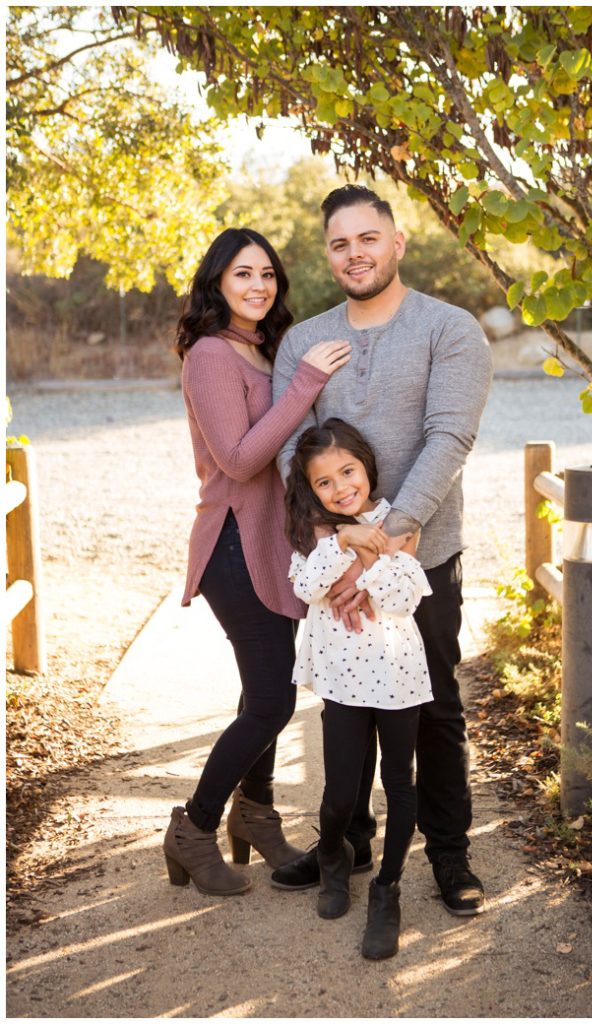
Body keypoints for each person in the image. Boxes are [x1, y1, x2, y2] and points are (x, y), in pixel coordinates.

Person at [271, 185, 493, 917]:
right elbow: (288, 458)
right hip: (334, 558)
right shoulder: (304, 340)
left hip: (420, 562)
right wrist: (338, 542)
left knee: (431, 710)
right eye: (339, 243)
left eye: (368, 238)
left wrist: (385, 540)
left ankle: (449, 856)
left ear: (397, 243)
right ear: (327, 254)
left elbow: (448, 436)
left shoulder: (449, 328)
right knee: (346, 708)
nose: (354, 252)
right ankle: (348, 842)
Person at [163, 227, 352, 896]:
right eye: (243, 274)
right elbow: (240, 461)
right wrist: (304, 383)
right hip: (233, 547)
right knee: (272, 700)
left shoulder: (261, 349)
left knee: (262, 686)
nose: (259, 286)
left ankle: (256, 814)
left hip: (273, 544)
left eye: (267, 274)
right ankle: (194, 827)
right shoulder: (212, 356)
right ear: (217, 282)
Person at [285, 418, 433, 959]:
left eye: (348, 471)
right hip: (343, 682)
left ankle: (387, 889)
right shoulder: (315, 531)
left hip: (398, 679)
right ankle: (332, 859)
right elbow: (307, 587)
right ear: (311, 488)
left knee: (399, 783)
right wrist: (346, 540)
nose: (340, 487)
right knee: (340, 793)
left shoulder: (399, 519)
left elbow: (400, 597)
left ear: (366, 467)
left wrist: (367, 556)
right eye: (325, 481)